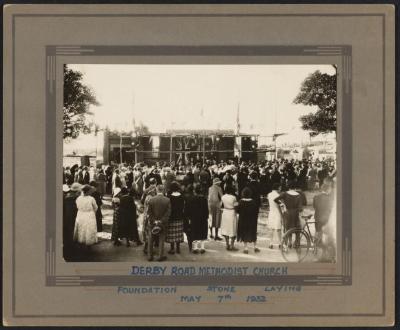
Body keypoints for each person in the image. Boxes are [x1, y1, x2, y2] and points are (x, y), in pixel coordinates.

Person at [274, 180, 303, 247]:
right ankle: (296, 243)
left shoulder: (285, 193)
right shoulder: (299, 195)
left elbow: (275, 199)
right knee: (297, 228)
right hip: (295, 214)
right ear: (295, 187)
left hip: (287, 213)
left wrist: (282, 204)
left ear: (288, 187)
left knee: (288, 228)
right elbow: (300, 208)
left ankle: (288, 243)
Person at [147, 185, 171, 261]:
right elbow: (168, 213)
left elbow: (149, 213)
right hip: (162, 223)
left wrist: (154, 221)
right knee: (161, 240)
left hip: (152, 223)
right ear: (163, 190)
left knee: (151, 239)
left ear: (156, 190)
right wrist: (161, 221)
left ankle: (150, 256)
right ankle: (160, 256)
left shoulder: (151, 200)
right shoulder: (167, 200)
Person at [185, 184, 209, 254]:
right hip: (203, 218)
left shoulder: (191, 199)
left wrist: (189, 217)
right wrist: (206, 217)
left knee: (195, 232)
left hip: (194, 218)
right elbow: (206, 210)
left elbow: (188, 210)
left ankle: (195, 248)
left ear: (194, 191)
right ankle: (202, 248)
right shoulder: (204, 199)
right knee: (202, 232)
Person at [237, 187, 260, 254]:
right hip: (252, 220)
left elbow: (238, 211)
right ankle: (255, 247)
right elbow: (256, 211)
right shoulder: (253, 202)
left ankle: (246, 248)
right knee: (253, 232)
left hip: (243, 220)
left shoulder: (241, 201)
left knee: (244, 232)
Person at [63, 183, 81, 260]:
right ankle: (70, 250)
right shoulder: (74, 198)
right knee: (70, 234)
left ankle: (68, 250)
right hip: (71, 218)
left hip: (66, 219)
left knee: (67, 235)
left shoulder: (66, 197)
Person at [166, 182, 185, 254]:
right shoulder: (181, 196)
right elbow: (183, 206)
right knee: (178, 233)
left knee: (172, 233)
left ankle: (172, 248)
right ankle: (178, 248)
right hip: (180, 216)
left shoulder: (169, 197)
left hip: (172, 217)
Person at [220, 185, 239, 251]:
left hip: (225, 212)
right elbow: (236, 206)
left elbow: (221, 205)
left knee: (226, 228)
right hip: (232, 212)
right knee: (233, 228)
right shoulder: (234, 197)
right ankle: (232, 245)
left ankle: (227, 244)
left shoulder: (223, 197)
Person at [267, 182, 282, 249]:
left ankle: (271, 243)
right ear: (278, 188)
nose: (280, 189)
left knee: (271, 228)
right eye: (280, 187)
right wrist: (281, 214)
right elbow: (279, 206)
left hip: (271, 212)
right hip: (277, 212)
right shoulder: (278, 195)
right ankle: (280, 243)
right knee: (278, 228)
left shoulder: (269, 194)